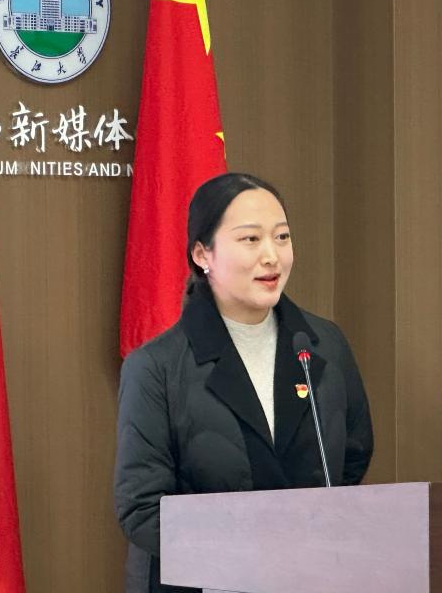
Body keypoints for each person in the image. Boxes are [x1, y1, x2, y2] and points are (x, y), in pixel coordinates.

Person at [114, 172, 374, 593]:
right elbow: (142, 508)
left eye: (282, 237)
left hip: (309, 579)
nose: (272, 256)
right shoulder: (156, 367)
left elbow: (352, 457)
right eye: (251, 239)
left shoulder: (322, 343)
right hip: (203, 584)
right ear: (203, 253)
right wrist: (258, 556)